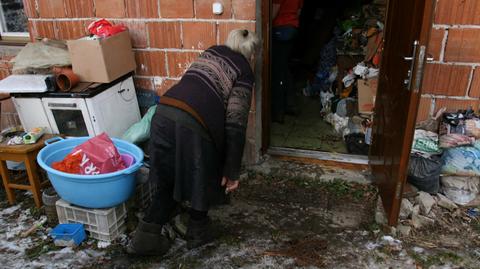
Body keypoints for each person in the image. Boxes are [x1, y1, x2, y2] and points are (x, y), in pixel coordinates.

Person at [127, 29, 260, 256]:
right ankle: (197, 232)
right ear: (252, 53)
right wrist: (232, 170)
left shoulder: (211, 52)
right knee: (204, 172)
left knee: (167, 177)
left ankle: (145, 238)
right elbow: (235, 124)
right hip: (194, 122)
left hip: (163, 112)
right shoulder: (245, 70)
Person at [271, 0, 304, 123]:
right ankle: (291, 105)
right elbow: (299, 11)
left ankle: (278, 111)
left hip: (280, 28)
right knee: (284, 67)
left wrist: (264, 26)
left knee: (277, 71)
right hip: (292, 28)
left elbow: (274, 11)